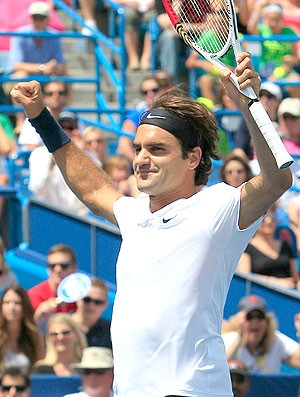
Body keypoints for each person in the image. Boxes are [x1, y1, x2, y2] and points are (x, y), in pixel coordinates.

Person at [11, 52, 293, 396]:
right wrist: (41, 117)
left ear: (193, 157)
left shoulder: (217, 206)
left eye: (157, 149)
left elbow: (277, 180)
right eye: (137, 149)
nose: (142, 159)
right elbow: (92, 186)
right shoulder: (133, 214)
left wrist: (248, 103)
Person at [5, 1, 67, 134]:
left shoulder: (53, 35)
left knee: (66, 79)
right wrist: (43, 68)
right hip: (29, 78)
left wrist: (54, 68)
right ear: (30, 18)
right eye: (35, 17)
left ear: (47, 19)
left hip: (44, 79)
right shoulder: (20, 33)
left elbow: (61, 66)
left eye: (41, 18)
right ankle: (21, 121)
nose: (37, 21)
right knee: (21, 78)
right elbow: (16, 66)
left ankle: (62, 117)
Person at [222, 295, 300, 373]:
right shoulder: (229, 339)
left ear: (267, 322)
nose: (255, 321)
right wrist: (240, 335)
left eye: (260, 316)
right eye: (249, 317)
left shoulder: (276, 341)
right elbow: (219, 368)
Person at [28, 112, 87, 214]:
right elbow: (37, 190)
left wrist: (80, 157)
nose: (66, 132)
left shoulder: (88, 156)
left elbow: (90, 192)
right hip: (48, 213)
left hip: (79, 217)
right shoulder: (39, 154)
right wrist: (52, 164)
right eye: (61, 127)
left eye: (71, 128)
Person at [237, 205, 299, 289]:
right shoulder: (246, 247)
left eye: (272, 217)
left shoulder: (285, 245)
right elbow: (243, 278)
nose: (268, 221)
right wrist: (274, 282)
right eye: (264, 217)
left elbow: (296, 278)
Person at [28, 244, 78, 325]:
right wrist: (39, 315)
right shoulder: (34, 296)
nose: (57, 270)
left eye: (63, 266)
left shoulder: (81, 295)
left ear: (74, 268)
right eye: (52, 266)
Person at [247, 2, 298, 79]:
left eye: (277, 19)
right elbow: (251, 29)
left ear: (281, 19)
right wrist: (258, 9)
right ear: (266, 19)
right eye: (271, 19)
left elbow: (295, 56)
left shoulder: (289, 31)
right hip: (265, 71)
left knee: (295, 80)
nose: (273, 23)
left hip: (286, 71)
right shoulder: (262, 30)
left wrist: (290, 60)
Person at [0, 286, 45, 373]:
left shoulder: (34, 336)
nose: (11, 307)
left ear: (25, 306)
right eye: (6, 302)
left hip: (26, 385)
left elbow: (40, 368)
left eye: (17, 303)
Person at [117, 75, 162, 161]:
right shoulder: (136, 115)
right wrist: (140, 163)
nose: (150, 94)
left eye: (154, 90)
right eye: (145, 92)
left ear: (161, 90)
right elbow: (123, 146)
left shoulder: (170, 113)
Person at [18, 81, 72, 150]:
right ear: (44, 96)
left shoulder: (73, 118)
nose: (56, 96)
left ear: (66, 96)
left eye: (60, 93)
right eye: (50, 93)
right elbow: (31, 149)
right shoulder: (34, 118)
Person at [72, 278, 112, 349]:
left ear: (105, 305)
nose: (91, 306)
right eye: (87, 300)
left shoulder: (110, 331)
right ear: (78, 298)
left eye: (98, 302)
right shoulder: (62, 325)